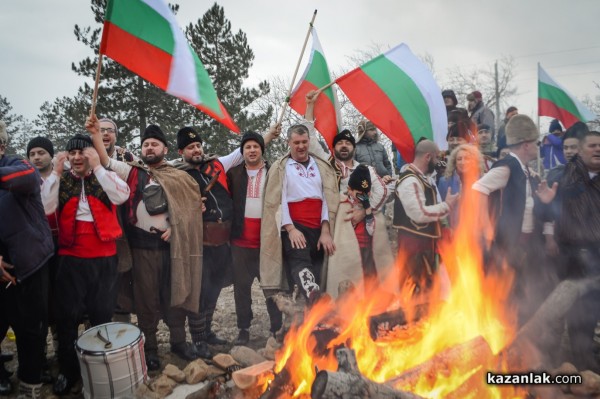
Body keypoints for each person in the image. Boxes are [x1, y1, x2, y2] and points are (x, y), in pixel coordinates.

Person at [87, 115, 203, 370]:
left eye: (154, 144)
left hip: (173, 249)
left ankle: (178, 342)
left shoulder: (179, 176)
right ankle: (149, 348)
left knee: (175, 293)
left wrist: (176, 227)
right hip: (141, 248)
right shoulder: (133, 172)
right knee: (146, 298)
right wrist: (96, 134)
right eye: (146, 144)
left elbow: (191, 206)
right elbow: (105, 161)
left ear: (165, 149)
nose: (149, 148)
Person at [174, 124, 279, 354]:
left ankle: (209, 332)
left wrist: (270, 133)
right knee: (200, 293)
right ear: (181, 152)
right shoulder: (179, 174)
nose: (196, 150)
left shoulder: (218, 164)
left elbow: (247, 149)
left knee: (214, 291)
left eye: (198, 145)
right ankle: (199, 339)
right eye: (190, 147)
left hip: (223, 242)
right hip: (200, 244)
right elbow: (174, 206)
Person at [40, 134, 130, 395]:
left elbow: (121, 195)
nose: (77, 157)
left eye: (82, 152)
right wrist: (56, 172)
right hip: (71, 259)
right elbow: (45, 205)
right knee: (67, 319)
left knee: (101, 316)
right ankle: (69, 371)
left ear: (90, 155)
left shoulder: (105, 175)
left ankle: (99, 369)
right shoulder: (61, 179)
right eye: (73, 153)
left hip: (104, 259)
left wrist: (99, 166)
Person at [473, 114, 554, 326]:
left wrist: (544, 200)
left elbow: (530, 205)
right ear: (526, 145)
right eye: (536, 143)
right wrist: (486, 228)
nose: (538, 147)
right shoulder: (508, 165)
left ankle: (519, 340)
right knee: (506, 296)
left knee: (523, 295)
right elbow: (478, 188)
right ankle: (504, 341)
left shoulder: (527, 170)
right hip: (508, 245)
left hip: (526, 245)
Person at [538, 130, 600, 372]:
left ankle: (583, 361)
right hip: (572, 255)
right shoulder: (562, 176)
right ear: (582, 150)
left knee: (591, 310)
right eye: (593, 145)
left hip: (598, 254)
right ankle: (569, 364)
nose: (598, 149)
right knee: (571, 311)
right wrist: (546, 204)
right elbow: (545, 216)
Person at [0, 121, 54, 399]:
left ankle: (30, 385)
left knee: (30, 329)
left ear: (2, 145)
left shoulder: (20, 165)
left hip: (30, 263)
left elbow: (27, 178)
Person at [260, 123, 338, 302]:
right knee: (300, 263)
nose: (301, 146)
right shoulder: (281, 167)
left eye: (304, 141)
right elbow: (278, 202)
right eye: (297, 142)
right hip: (295, 226)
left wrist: (326, 231)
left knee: (319, 271)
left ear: (309, 141)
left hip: (319, 228)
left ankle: (316, 320)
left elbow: (329, 198)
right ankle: (311, 292)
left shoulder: (322, 166)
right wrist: (290, 229)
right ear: (289, 143)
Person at [226, 130, 283, 345]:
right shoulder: (233, 174)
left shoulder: (273, 172)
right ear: (243, 151)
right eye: (247, 147)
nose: (252, 150)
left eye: (255, 146)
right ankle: (244, 329)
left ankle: (276, 327)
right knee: (241, 289)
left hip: (266, 242)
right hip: (240, 242)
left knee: (270, 286)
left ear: (262, 149)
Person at [393, 139, 459, 293]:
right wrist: (447, 206)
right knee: (416, 296)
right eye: (437, 158)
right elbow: (419, 213)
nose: (438, 163)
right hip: (413, 253)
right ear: (428, 157)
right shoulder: (409, 180)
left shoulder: (422, 179)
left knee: (428, 294)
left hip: (425, 248)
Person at [437, 144, 485, 229]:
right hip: (453, 233)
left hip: (477, 232)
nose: (463, 162)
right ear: (454, 163)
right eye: (459, 159)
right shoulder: (444, 182)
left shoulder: (483, 181)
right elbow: (440, 210)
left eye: (467, 158)